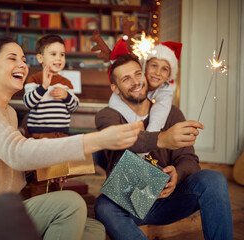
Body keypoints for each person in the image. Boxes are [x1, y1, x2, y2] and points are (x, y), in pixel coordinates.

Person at [0, 37, 143, 240]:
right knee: (71, 203)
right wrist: (96, 140)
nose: (22, 64)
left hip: (4, 212)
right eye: (12, 58)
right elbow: (17, 153)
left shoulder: (9, 113)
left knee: (93, 230)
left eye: (23, 59)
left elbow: (8, 165)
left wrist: (42, 170)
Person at [94, 53, 233, 240]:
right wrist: (162, 139)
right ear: (115, 88)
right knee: (103, 206)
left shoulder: (172, 113)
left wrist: (178, 173)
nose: (136, 82)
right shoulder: (106, 116)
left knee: (213, 179)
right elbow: (121, 138)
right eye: (126, 79)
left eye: (138, 74)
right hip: (128, 201)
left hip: (168, 199)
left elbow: (189, 160)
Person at [108, 41, 182, 132]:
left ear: (169, 75)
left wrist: (149, 135)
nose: (157, 73)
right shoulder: (111, 112)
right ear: (145, 67)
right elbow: (115, 102)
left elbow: (160, 114)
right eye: (154, 65)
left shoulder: (165, 92)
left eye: (164, 69)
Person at [23, 34, 79, 139]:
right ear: (40, 58)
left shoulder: (66, 82)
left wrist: (66, 95)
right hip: (38, 134)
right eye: (53, 54)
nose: (59, 58)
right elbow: (28, 103)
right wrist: (43, 87)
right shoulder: (34, 79)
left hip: (61, 134)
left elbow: (74, 106)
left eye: (62, 55)